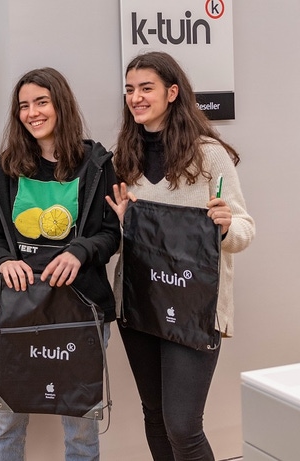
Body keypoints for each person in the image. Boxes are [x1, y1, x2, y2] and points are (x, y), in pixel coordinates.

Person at [105, 51, 255, 460]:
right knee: (154, 416)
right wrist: (121, 224)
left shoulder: (209, 154)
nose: (136, 97)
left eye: (146, 88)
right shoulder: (124, 158)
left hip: (194, 307)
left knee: (184, 427)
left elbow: (244, 230)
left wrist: (224, 225)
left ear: (172, 92)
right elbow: (121, 242)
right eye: (130, 89)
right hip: (139, 304)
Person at [0, 68, 120, 461]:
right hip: (20, 308)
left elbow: (111, 234)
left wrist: (79, 251)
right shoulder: (6, 168)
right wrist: (4, 261)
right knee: (5, 421)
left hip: (81, 309)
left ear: (60, 104)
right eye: (24, 105)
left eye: (41, 102)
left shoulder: (95, 163)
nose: (32, 112)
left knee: (80, 426)